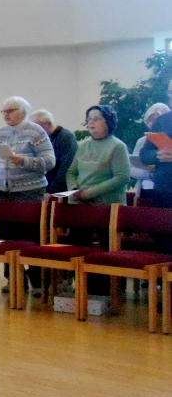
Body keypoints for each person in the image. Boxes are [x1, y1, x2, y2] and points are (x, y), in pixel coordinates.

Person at [0, 97, 55, 295]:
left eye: (10, 110)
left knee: (30, 237)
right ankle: (13, 279)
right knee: (6, 238)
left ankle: (38, 281)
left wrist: (23, 161)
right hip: (2, 193)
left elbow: (49, 161)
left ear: (22, 111)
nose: (6, 114)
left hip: (29, 193)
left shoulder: (36, 132)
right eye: (3, 111)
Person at [66, 105, 131, 296]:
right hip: (80, 205)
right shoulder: (83, 145)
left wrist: (90, 193)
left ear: (108, 122)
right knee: (78, 246)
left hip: (107, 208)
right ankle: (83, 287)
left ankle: (109, 291)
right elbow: (71, 172)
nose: (91, 122)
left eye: (96, 118)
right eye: (89, 118)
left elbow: (122, 177)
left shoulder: (117, 146)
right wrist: (74, 189)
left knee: (106, 250)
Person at [29, 109, 78, 197]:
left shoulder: (66, 138)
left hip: (60, 193)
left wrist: (51, 191)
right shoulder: (42, 140)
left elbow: (66, 167)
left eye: (36, 127)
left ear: (46, 125)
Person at [130, 103, 170, 202]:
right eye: (170, 93)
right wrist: (158, 154)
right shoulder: (162, 120)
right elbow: (145, 154)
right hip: (163, 190)